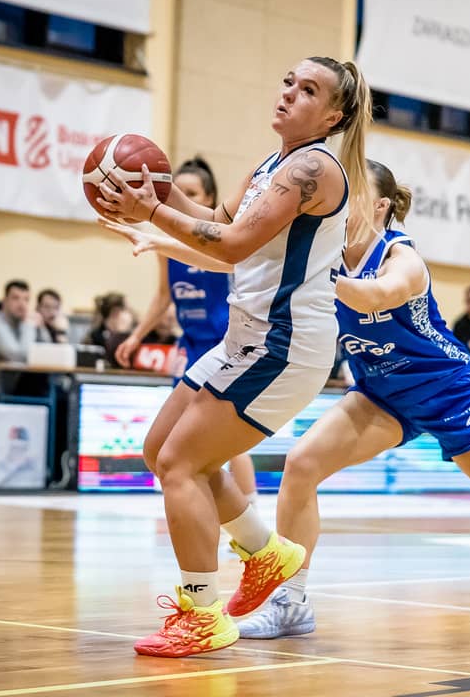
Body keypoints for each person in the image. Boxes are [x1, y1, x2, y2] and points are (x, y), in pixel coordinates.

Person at [235, 160, 470, 638]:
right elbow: (237, 246)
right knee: (301, 464)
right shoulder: (323, 253)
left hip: (448, 393)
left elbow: (377, 296)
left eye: (355, 192)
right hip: (381, 395)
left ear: (381, 206)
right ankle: (291, 602)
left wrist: (315, 279)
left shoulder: (402, 257)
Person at [95, 56, 373, 657]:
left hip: (284, 344)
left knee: (181, 464)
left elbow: (234, 244)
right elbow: (217, 224)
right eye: (289, 82)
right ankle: (265, 552)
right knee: (158, 451)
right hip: (247, 338)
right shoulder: (273, 163)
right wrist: (158, 194)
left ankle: (202, 614)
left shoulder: (313, 168)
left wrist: (152, 213)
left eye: (308, 90)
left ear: (334, 116)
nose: (289, 93)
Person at [109, 156, 256, 499]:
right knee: (177, 430)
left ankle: (249, 503)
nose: (184, 197)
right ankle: (192, 493)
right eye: (180, 190)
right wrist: (136, 336)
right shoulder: (167, 244)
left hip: (223, 343)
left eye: (192, 193)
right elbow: (164, 296)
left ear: (209, 199)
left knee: (225, 435)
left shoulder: (222, 239)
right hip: (189, 344)